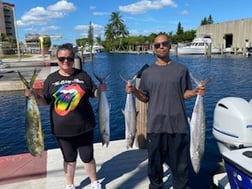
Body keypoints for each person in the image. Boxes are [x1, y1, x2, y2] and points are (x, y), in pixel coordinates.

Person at [125, 34, 206, 189]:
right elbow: (145, 98)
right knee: (154, 167)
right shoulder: (148, 73)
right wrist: (134, 91)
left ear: (170, 46)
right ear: (153, 49)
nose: (161, 47)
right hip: (155, 127)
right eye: (157, 45)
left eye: (164, 44)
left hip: (178, 126)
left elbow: (184, 93)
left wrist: (196, 92)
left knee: (181, 168)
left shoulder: (182, 70)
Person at [25, 43, 105, 189]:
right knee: (69, 159)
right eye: (62, 59)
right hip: (61, 130)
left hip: (85, 127)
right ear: (57, 59)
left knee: (88, 157)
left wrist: (101, 90)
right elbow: (45, 102)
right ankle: (70, 185)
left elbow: (94, 94)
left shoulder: (83, 75)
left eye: (69, 58)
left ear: (74, 58)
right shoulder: (51, 79)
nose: (66, 61)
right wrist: (34, 96)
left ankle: (94, 182)